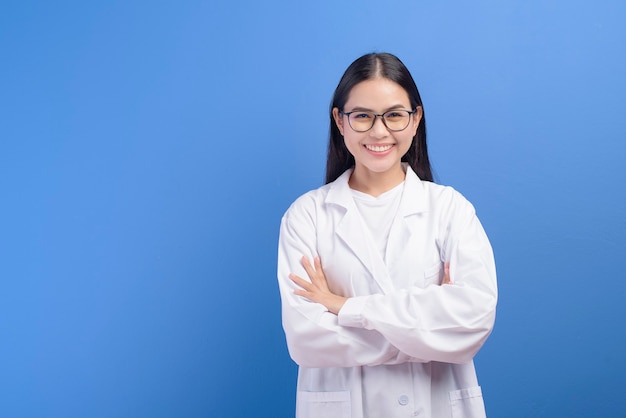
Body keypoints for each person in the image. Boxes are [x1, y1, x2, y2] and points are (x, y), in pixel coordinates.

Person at [277, 52, 497, 418]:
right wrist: (425, 336)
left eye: (394, 115)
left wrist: (345, 307)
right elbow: (306, 338)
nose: (379, 132)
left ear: (416, 119)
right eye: (362, 116)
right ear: (340, 121)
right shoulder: (307, 216)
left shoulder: (449, 209)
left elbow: (474, 319)